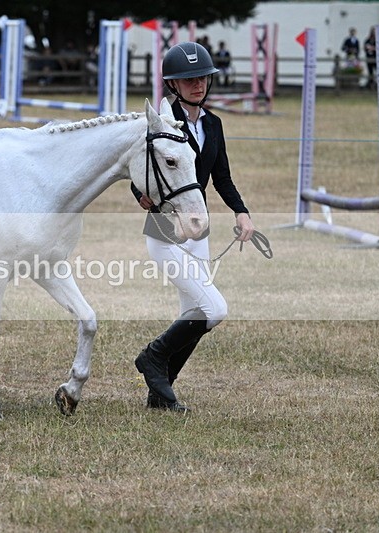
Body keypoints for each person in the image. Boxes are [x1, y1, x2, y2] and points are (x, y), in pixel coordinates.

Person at [132, 42, 255, 412]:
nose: (197, 84)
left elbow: (222, 177)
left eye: (201, 77)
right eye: (188, 79)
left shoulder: (214, 124)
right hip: (165, 229)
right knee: (213, 308)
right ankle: (151, 359)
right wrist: (138, 192)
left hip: (198, 229)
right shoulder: (160, 122)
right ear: (173, 84)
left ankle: (161, 394)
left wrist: (241, 212)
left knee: (194, 314)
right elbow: (141, 170)